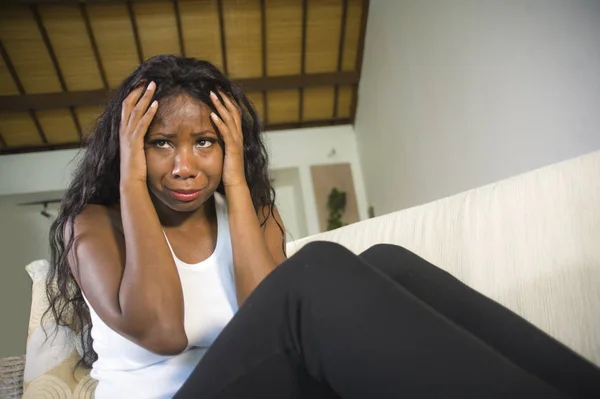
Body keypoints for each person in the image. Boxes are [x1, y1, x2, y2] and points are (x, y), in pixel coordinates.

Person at [44, 55, 600, 399]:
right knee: (315, 273)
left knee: (386, 261)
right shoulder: (93, 225)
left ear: (228, 145)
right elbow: (163, 331)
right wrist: (132, 181)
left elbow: (271, 311)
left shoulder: (247, 212)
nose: (185, 165)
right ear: (129, 147)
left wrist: (239, 185)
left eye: (205, 142)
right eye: (160, 142)